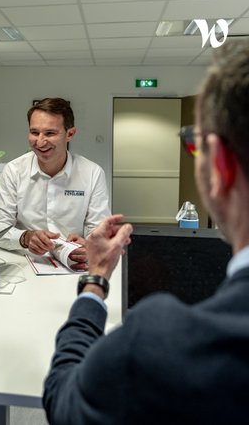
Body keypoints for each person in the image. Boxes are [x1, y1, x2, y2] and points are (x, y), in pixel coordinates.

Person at [43, 39, 249, 424]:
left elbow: (64, 401)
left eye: (193, 145)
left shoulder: (162, 341)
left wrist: (95, 283)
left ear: (219, 165)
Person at [0, 98, 110, 271]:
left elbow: (98, 230)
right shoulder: (14, 171)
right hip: (24, 265)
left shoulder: (92, 173)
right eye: (34, 132)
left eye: (49, 133)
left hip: (73, 266)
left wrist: (88, 245)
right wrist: (25, 237)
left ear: (70, 134)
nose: (39, 142)